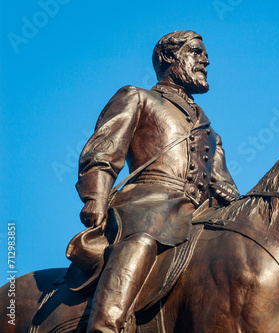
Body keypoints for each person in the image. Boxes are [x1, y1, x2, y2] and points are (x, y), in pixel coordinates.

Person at [75, 30, 239, 333]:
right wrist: (95, 198)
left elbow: (224, 185)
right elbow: (103, 152)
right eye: (196, 52)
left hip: (196, 215)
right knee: (142, 240)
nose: (206, 60)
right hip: (147, 206)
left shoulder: (209, 132)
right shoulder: (138, 97)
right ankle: (105, 325)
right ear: (168, 57)